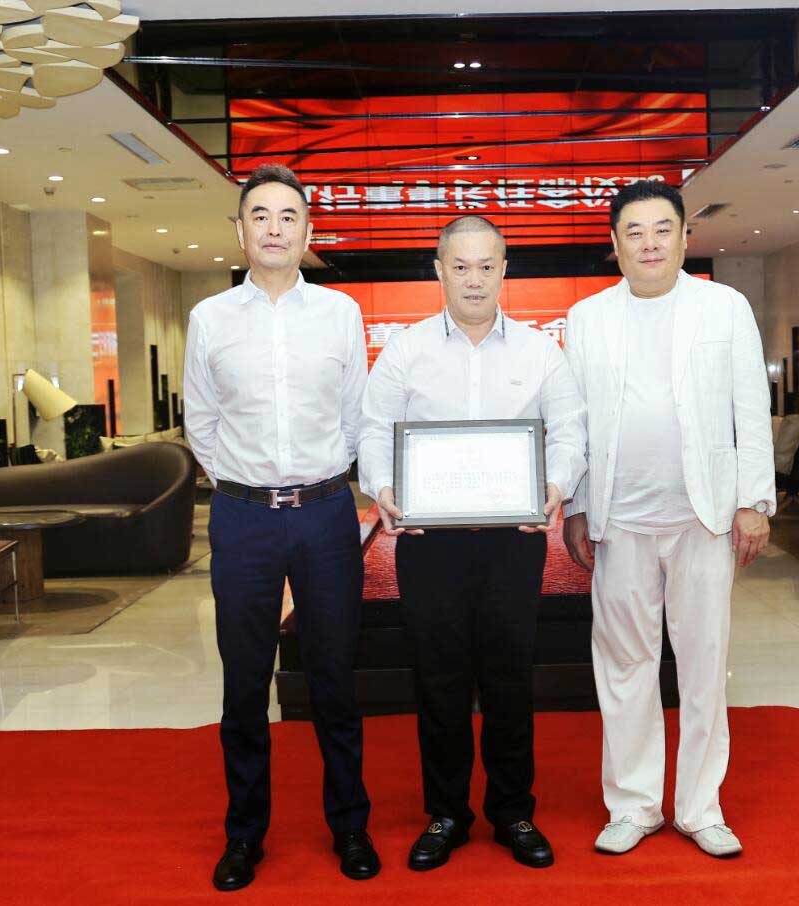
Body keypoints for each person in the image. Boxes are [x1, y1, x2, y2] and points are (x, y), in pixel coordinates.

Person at [358, 216, 586, 872]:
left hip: (513, 541)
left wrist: (554, 486)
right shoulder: (405, 351)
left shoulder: (541, 351)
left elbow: (570, 430)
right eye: (460, 266)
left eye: (487, 265)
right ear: (439, 271)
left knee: (510, 678)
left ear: (504, 270)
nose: (475, 279)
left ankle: (513, 811)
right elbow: (373, 429)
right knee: (439, 681)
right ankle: (446, 814)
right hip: (429, 545)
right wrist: (384, 486)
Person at [561, 180, 774, 859]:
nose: (649, 243)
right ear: (615, 243)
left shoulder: (723, 307)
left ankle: (700, 806)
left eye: (662, 229)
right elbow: (575, 423)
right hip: (619, 518)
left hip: (702, 517)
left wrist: (753, 501)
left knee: (704, 664)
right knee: (625, 666)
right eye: (634, 231)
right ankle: (633, 804)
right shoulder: (587, 318)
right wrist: (577, 505)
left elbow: (750, 409)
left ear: (685, 237)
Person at [183, 164, 380, 890]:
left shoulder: (339, 312)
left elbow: (356, 416)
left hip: (325, 514)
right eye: (260, 215)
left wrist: (324, 483)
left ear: (307, 232)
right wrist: (241, 484)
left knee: (334, 678)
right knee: (243, 684)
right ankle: (244, 835)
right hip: (242, 519)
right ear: (240, 231)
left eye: (288, 216)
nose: (274, 228)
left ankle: (349, 825)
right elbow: (201, 420)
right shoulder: (210, 318)